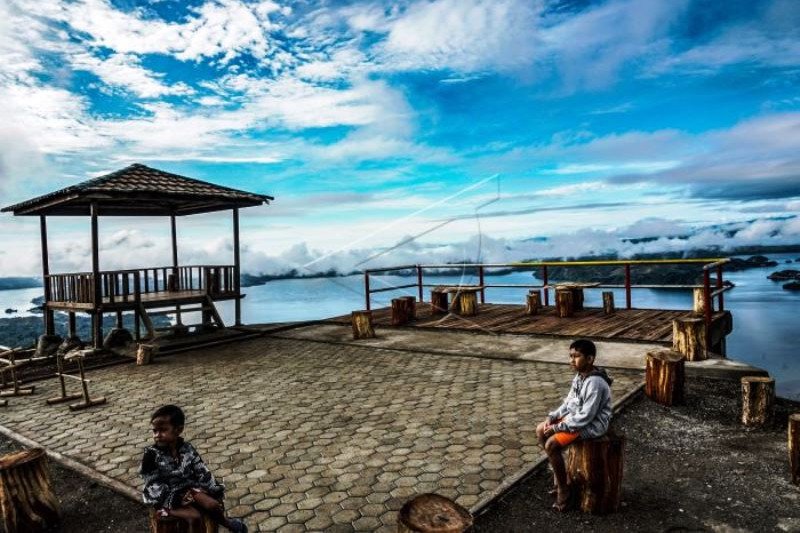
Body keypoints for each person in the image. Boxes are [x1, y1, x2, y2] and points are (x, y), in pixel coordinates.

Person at [140, 404, 248, 532]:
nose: (157, 435)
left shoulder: (187, 448)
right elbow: (152, 483)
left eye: (162, 430)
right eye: (154, 431)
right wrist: (176, 498)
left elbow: (201, 469)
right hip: (164, 497)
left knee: (212, 504)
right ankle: (165, 512)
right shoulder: (151, 455)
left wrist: (211, 489)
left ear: (178, 430)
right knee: (194, 517)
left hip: (187, 489)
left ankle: (228, 523)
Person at [536, 339, 613, 512]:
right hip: (577, 419)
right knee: (541, 430)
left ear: (590, 359)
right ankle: (561, 480)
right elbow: (569, 402)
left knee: (552, 444)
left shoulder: (596, 383)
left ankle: (564, 491)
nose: (572, 360)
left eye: (576, 356)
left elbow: (587, 416)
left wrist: (558, 428)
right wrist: (553, 417)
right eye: (570, 356)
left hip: (593, 425)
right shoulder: (579, 377)